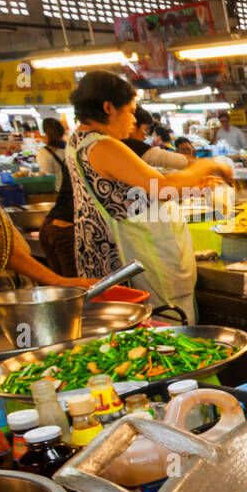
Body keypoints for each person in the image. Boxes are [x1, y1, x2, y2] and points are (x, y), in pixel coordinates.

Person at [65, 70, 231, 312]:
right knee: (162, 334)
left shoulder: (78, 140)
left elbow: (122, 196)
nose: (134, 121)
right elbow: (161, 188)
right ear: (109, 108)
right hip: (132, 262)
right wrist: (209, 163)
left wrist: (189, 187)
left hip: (106, 257)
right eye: (131, 112)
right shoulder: (103, 145)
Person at [35, 118, 81, 278]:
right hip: (66, 226)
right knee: (73, 286)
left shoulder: (48, 151)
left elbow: (46, 171)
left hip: (53, 221)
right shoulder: (76, 149)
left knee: (63, 287)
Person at [122, 106, 188, 170]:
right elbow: (163, 158)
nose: (144, 138)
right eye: (145, 130)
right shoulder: (132, 146)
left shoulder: (122, 147)